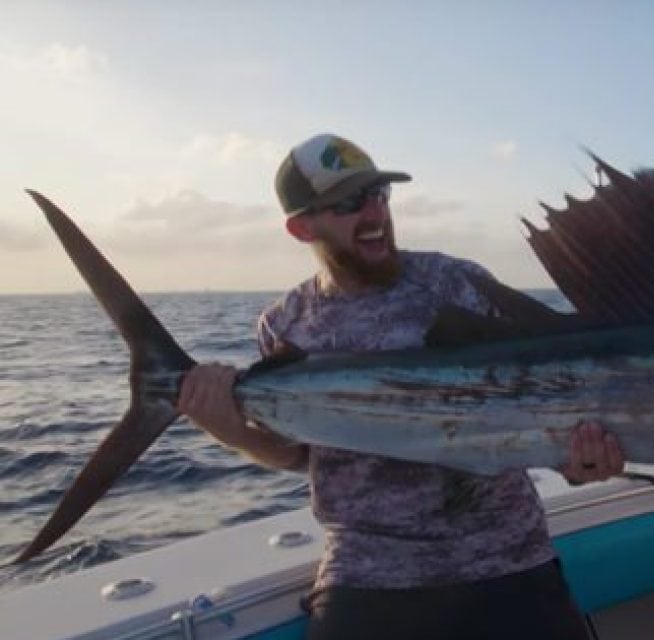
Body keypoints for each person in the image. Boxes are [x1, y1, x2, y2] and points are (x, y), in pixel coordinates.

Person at [178, 133, 625, 640]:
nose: (373, 213)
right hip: (369, 573)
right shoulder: (286, 323)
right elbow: (306, 454)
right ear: (301, 227)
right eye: (348, 203)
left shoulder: (459, 283)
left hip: (506, 556)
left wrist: (577, 463)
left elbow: (547, 405)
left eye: (380, 196)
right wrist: (231, 433)